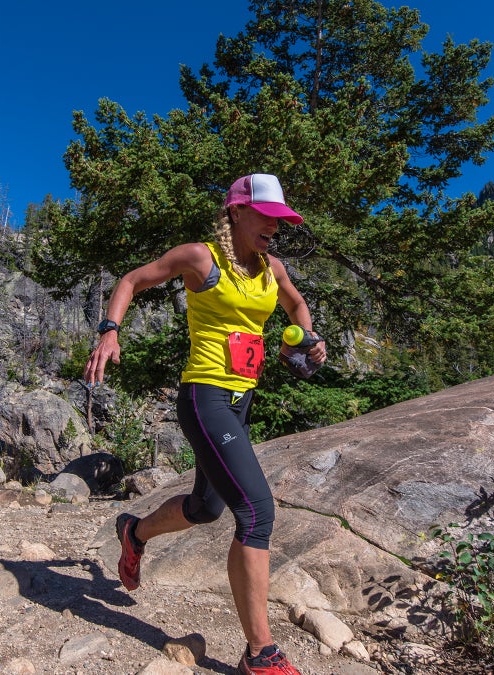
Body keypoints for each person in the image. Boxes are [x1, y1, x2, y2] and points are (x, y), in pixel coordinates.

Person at [85, 173, 326, 675]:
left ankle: (135, 533)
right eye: (267, 217)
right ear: (237, 212)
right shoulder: (201, 258)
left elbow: (296, 304)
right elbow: (133, 279)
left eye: (281, 221)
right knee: (256, 511)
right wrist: (111, 332)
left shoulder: (271, 268)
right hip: (205, 397)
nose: (275, 228)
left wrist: (303, 339)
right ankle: (261, 653)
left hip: (241, 400)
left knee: (205, 507)